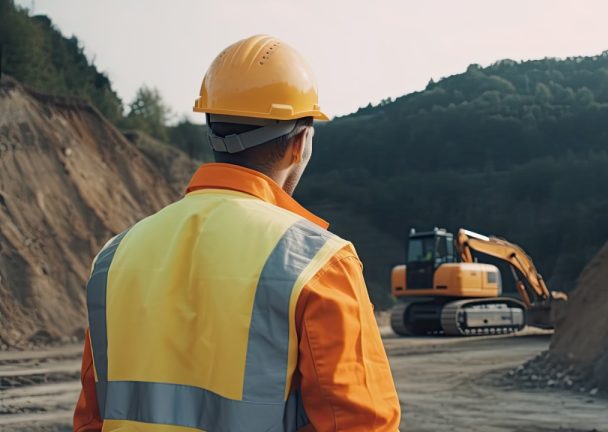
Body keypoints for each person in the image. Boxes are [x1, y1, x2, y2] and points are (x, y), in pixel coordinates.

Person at [74, 35, 401, 432]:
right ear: (300, 143)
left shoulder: (114, 258)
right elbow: (360, 425)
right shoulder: (320, 264)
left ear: (211, 130)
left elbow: (92, 420)